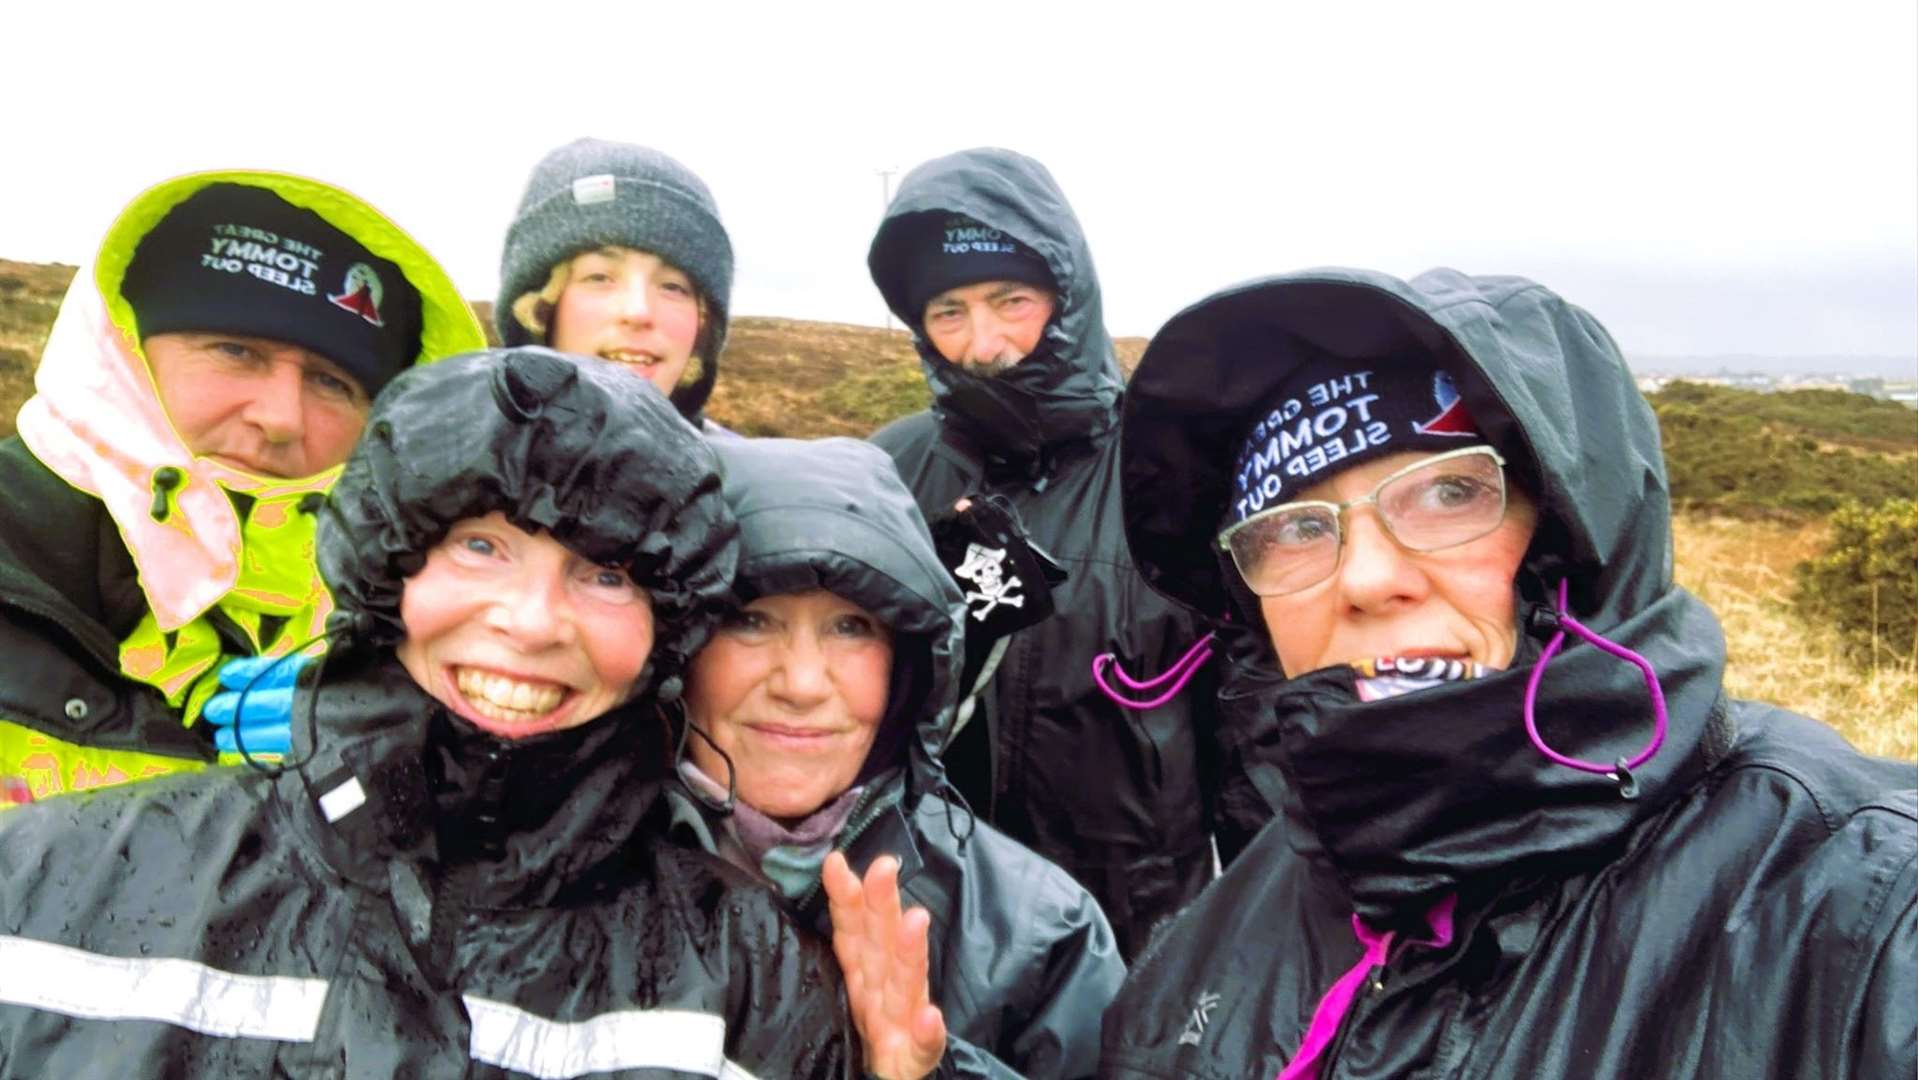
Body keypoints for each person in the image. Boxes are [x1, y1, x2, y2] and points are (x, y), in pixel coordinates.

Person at [1101, 268, 1917, 1078]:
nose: (1363, 578)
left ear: (1574, 535)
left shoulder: (1863, 913)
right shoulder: (1233, 920)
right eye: (1294, 528)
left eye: (1448, 492)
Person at [0, 347, 876, 1076]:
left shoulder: (744, 970)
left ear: (669, 627)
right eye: (480, 545)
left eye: (607, 574)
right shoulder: (43, 880)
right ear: (387, 566)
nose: (532, 623)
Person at [0, 171, 485, 807]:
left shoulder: (436, 605)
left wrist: (437, 771)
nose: (281, 416)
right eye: (236, 351)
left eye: (332, 382)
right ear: (126, 353)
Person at [668, 435, 1125, 1078]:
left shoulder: (1041, 936)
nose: (801, 683)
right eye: (751, 619)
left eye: (851, 628)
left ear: (908, 665)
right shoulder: (552, 874)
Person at [866, 148, 1225, 959]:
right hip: (927, 937)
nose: (983, 340)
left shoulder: (1175, 478)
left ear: (1068, 297)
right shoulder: (883, 473)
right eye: (948, 311)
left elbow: (1258, 753)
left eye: (1011, 300)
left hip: (1139, 949)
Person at [496, 137, 735, 434]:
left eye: (673, 286)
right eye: (599, 278)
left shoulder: (755, 479)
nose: (638, 312)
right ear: (536, 309)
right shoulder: (441, 467)